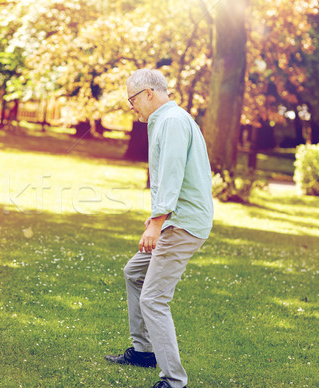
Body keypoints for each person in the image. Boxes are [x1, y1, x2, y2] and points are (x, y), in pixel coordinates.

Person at [105, 69, 213, 388]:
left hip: (183, 225)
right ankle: (143, 351)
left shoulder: (172, 121)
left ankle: (174, 380)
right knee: (134, 273)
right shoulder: (165, 120)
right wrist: (157, 218)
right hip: (177, 221)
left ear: (149, 93)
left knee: (153, 298)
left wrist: (157, 222)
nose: (131, 106)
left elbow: (172, 173)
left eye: (132, 100)